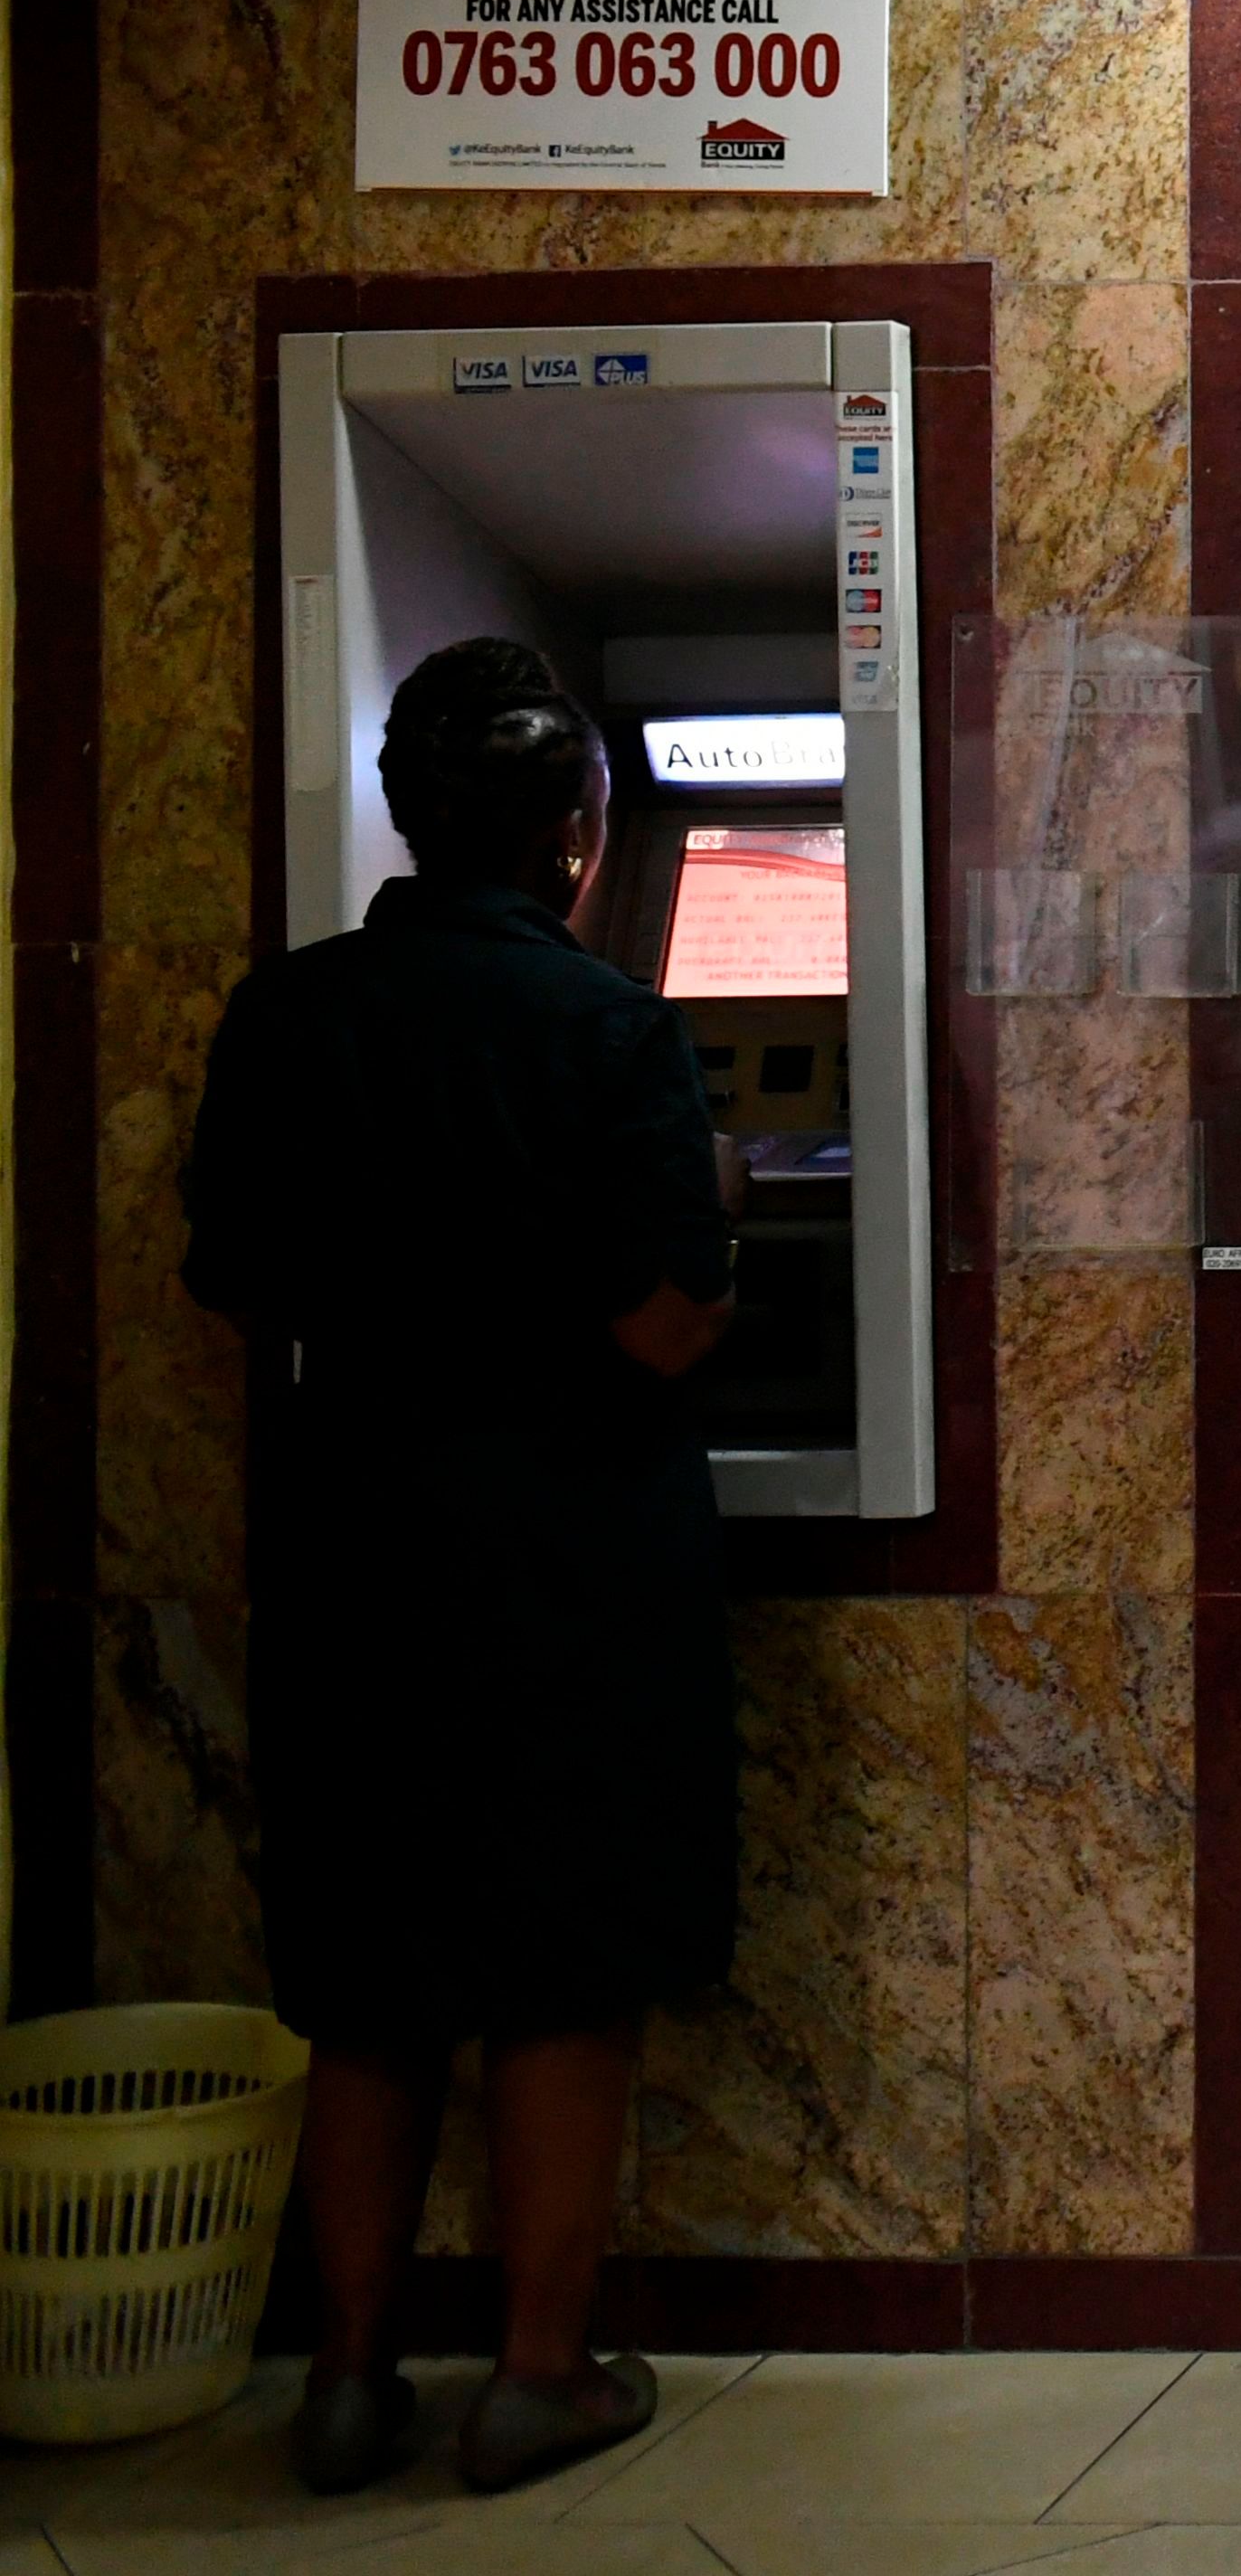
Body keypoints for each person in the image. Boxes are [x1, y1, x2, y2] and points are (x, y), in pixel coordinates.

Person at [180, 639, 742, 2495]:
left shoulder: (288, 1013)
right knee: (558, 1968)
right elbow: (669, 1319)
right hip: (569, 1554)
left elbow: (240, 1280)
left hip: (351, 1545)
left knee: (372, 1973)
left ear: (409, 819)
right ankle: (538, 2370)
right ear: (583, 832)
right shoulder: (609, 1025)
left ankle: (344, 2372)